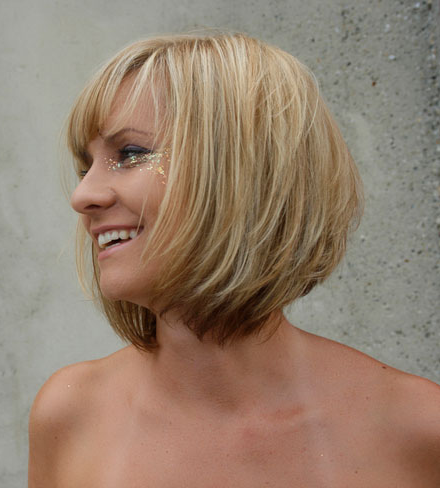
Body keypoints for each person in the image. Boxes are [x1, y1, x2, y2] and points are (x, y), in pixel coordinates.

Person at [28, 32, 440, 487]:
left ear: (246, 173)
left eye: (130, 153)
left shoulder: (418, 429)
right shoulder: (69, 416)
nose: (82, 195)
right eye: (85, 166)